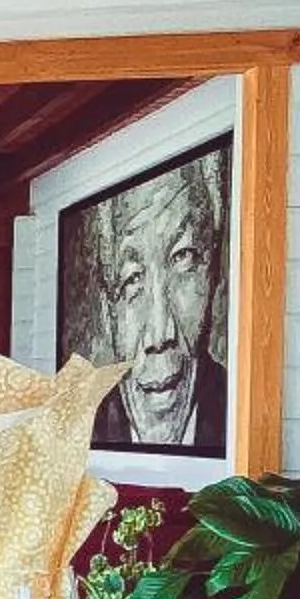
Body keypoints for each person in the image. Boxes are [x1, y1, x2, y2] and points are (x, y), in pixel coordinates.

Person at [85, 149, 229, 451]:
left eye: (183, 258)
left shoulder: (238, 412)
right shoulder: (79, 432)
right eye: (132, 278)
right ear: (107, 308)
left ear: (214, 276)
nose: (160, 334)